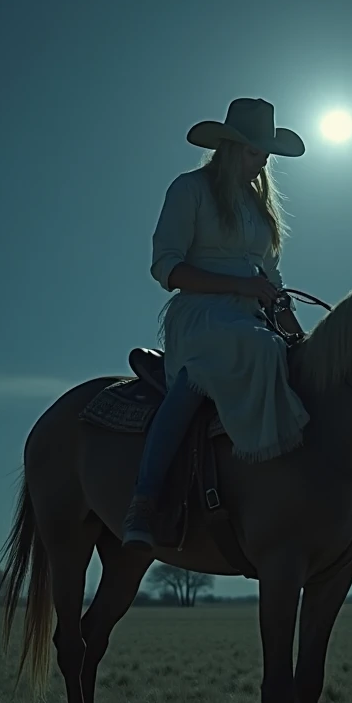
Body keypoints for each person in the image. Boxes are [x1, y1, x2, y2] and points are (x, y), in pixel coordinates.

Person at [122, 98, 310, 551]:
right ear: (228, 147)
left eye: (266, 152)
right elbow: (166, 267)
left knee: (302, 362)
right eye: (253, 150)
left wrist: (295, 330)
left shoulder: (260, 208)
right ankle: (144, 500)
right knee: (230, 362)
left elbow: (272, 279)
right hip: (201, 316)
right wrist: (241, 288)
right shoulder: (189, 190)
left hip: (254, 316)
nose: (262, 159)